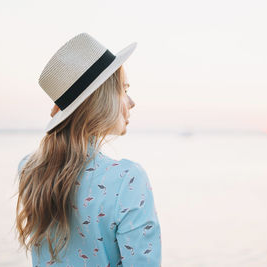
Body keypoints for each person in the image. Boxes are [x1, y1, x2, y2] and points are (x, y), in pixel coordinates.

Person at [15, 33, 162, 267]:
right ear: (101, 100)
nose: (132, 102)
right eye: (124, 90)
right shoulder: (128, 179)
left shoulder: (29, 169)